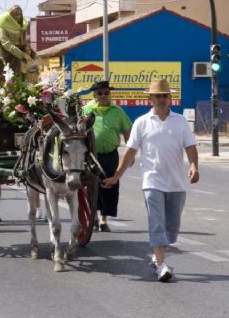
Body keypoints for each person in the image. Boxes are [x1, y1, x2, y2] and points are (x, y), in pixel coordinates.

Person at [103, 78, 199, 283]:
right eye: (157, 96)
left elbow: (190, 146)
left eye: (165, 95)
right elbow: (130, 152)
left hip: (176, 184)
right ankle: (162, 265)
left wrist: (194, 166)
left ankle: (157, 257)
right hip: (152, 182)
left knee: (171, 230)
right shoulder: (141, 122)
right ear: (150, 99)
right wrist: (116, 176)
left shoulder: (180, 121)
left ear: (169, 97)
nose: (161, 99)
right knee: (156, 224)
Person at [82, 80, 132, 232]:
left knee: (110, 185)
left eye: (106, 93)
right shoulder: (86, 110)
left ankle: (103, 220)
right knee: (91, 186)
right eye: (100, 93)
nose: (103, 95)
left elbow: (127, 130)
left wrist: (130, 153)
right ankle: (94, 218)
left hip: (111, 155)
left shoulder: (117, 111)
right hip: (91, 155)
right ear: (94, 95)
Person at [0, 5, 38, 85]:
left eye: (19, 14)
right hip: (5, 53)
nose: (18, 17)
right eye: (15, 14)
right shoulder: (2, 26)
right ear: (10, 15)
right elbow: (6, 43)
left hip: (19, 53)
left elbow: (23, 41)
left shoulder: (21, 26)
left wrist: (27, 50)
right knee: (4, 75)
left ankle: (26, 87)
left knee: (27, 68)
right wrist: (21, 54)